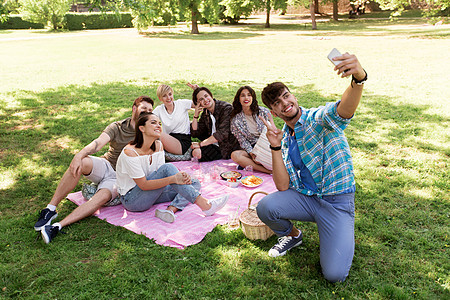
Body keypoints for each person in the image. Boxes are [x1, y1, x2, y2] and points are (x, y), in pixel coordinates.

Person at [256, 52, 367, 282]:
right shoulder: (285, 138)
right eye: (277, 103)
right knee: (266, 207)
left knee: (334, 275)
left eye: (286, 96)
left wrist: (358, 79)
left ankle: (338, 231)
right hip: (307, 198)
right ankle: (293, 236)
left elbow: (343, 110)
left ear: (293, 96)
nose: (285, 103)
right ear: (274, 112)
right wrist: (275, 147)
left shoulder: (317, 118)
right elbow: (282, 185)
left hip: (336, 203)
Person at [35, 96, 155, 244]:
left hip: (120, 178)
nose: (147, 112)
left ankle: (57, 226)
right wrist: (79, 155)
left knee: (102, 196)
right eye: (144, 109)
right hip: (106, 165)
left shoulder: (149, 132)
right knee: (82, 162)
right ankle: (50, 209)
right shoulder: (117, 127)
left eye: (150, 110)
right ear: (134, 108)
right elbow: (98, 143)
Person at [115, 112, 229, 223]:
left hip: (151, 193)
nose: (158, 126)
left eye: (159, 123)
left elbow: (159, 173)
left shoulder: (158, 145)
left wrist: (180, 177)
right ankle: (206, 205)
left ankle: (170, 210)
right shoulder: (130, 153)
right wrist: (173, 179)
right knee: (169, 168)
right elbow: (144, 185)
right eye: (153, 123)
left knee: (194, 183)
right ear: (142, 128)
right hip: (132, 200)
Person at [190, 86, 240, 162]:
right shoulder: (206, 112)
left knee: (197, 154)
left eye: (206, 96)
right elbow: (195, 133)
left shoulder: (226, 108)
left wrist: (199, 145)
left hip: (227, 147)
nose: (205, 100)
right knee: (195, 153)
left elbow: (221, 134)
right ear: (198, 104)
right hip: (214, 144)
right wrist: (195, 116)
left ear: (211, 95)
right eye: (201, 99)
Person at [230, 86, 272, 174]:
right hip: (253, 148)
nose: (246, 98)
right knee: (235, 155)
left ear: (253, 97)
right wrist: (251, 153)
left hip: (268, 144)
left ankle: (249, 164)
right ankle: (267, 171)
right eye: (243, 95)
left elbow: (272, 130)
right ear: (239, 99)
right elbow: (242, 140)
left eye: (249, 95)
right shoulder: (235, 120)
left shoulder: (263, 112)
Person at [153, 84, 195, 160]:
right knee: (151, 131)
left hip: (182, 141)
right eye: (164, 96)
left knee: (157, 133)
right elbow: (148, 120)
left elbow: (199, 103)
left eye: (170, 94)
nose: (168, 98)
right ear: (160, 98)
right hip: (169, 139)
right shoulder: (159, 110)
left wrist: (197, 90)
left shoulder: (181, 104)